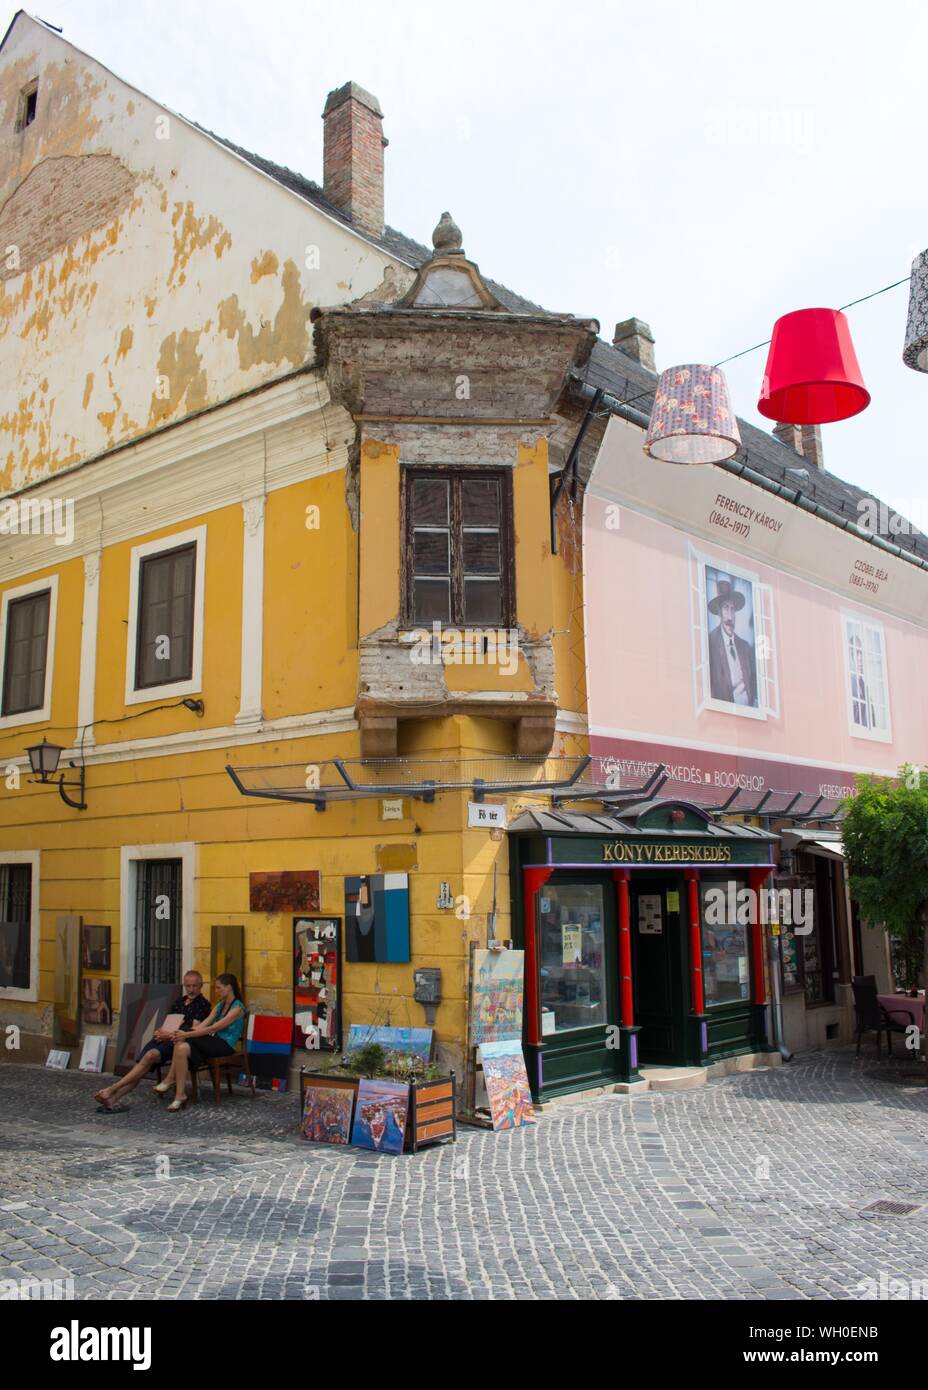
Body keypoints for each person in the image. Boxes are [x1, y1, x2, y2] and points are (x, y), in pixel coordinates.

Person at [93, 970, 211, 1112]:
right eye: (188, 986)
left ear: (201, 985)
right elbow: (170, 1021)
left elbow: (193, 1031)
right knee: (141, 1065)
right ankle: (113, 1097)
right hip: (165, 1037)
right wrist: (159, 1031)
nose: (191, 989)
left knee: (149, 1057)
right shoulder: (179, 1001)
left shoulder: (203, 1004)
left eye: (194, 986)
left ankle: (112, 1089)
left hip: (177, 1042)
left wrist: (166, 1036)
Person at [166, 974, 246, 1113]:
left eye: (219, 988)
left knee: (186, 1040)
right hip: (213, 1042)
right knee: (181, 1046)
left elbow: (214, 1028)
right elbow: (203, 1025)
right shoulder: (220, 1005)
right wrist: (179, 1033)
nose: (216, 991)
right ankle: (180, 1095)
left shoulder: (237, 1008)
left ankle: (170, 1079)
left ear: (229, 987)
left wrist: (187, 1034)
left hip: (226, 1046)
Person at [707, 577, 757, 707]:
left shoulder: (744, 647)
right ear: (719, 612)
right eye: (725, 608)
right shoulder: (710, 643)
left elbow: (753, 684)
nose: (730, 616)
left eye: (732, 609)